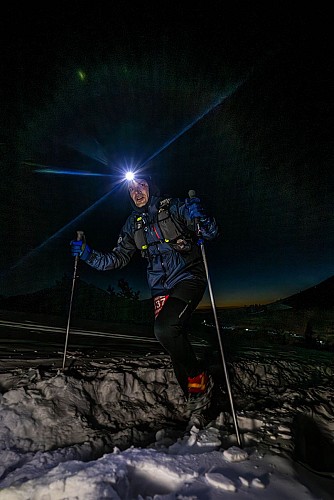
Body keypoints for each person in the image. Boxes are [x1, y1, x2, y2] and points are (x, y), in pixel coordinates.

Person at [70, 174, 219, 422]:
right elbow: (116, 259)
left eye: (141, 185)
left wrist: (201, 215)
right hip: (160, 286)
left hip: (188, 275)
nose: (136, 191)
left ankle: (199, 378)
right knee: (174, 342)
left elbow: (210, 232)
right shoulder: (132, 224)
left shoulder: (173, 207)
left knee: (165, 328)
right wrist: (88, 255)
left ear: (152, 186)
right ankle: (198, 404)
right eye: (130, 188)